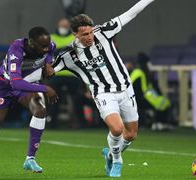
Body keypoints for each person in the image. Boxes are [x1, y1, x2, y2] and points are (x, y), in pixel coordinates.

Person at [53, 0, 155, 177]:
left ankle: (109, 154)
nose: (90, 36)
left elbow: (131, 13)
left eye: (91, 32)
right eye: (84, 34)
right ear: (75, 34)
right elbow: (48, 71)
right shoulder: (70, 55)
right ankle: (117, 161)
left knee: (130, 134)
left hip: (125, 89)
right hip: (103, 92)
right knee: (116, 129)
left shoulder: (104, 31)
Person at [0, 27, 58, 176]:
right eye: (42, 46)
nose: (46, 48)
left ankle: (30, 158)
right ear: (31, 43)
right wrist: (46, 88)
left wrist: (49, 63)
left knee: (40, 110)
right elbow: (16, 83)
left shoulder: (49, 45)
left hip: (29, 84)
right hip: (5, 87)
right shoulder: (16, 49)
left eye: (47, 45)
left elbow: (51, 50)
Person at [130, 53, 171, 130]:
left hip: (134, 99)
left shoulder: (136, 72)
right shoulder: (142, 73)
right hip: (141, 99)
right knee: (164, 102)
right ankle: (160, 123)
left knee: (162, 101)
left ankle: (156, 122)